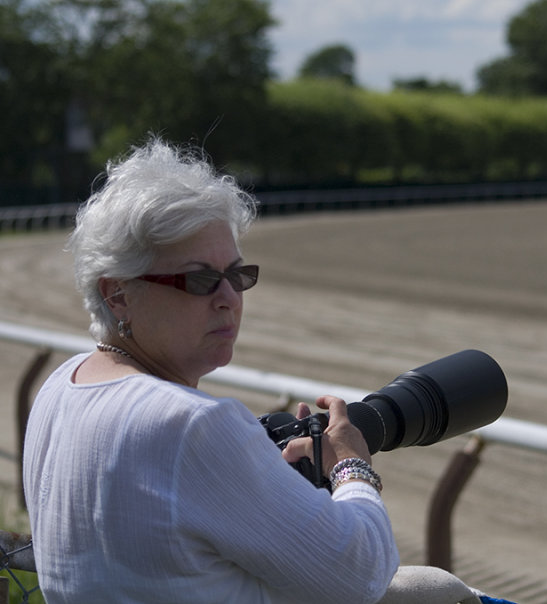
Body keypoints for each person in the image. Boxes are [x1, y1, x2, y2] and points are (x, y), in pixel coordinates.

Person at [22, 137, 399, 603]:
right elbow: (359, 576)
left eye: (237, 275)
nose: (229, 298)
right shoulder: (193, 424)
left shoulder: (61, 384)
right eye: (199, 280)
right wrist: (350, 464)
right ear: (117, 294)